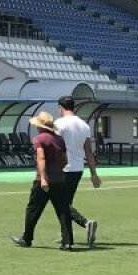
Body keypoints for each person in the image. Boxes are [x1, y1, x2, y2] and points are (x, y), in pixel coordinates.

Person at [11, 111, 75, 250]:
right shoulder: (59, 139)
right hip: (60, 180)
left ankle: (27, 238)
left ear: (39, 126)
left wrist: (44, 178)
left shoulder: (39, 139)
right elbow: (65, 160)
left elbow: (41, 158)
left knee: (33, 209)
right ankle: (67, 241)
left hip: (44, 180)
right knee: (63, 211)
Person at [55, 95, 101, 247]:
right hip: (78, 168)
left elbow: (56, 148)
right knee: (66, 202)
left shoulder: (59, 124)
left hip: (63, 168)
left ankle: (85, 223)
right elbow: (89, 152)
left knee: (61, 203)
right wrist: (94, 174)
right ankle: (65, 235)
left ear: (61, 107)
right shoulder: (84, 125)